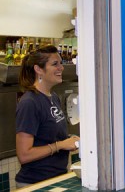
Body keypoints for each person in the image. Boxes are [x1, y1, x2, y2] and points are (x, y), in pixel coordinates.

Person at [15, 45, 80, 188]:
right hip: (35, 183)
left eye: (61, 63)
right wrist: (60, 145)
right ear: (38, 69)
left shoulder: (53, 97)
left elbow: (48, 135)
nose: (61, 68)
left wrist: (69, 140)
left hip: (55, 179)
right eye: (55, 64)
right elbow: (24, 155)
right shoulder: (29, 103)